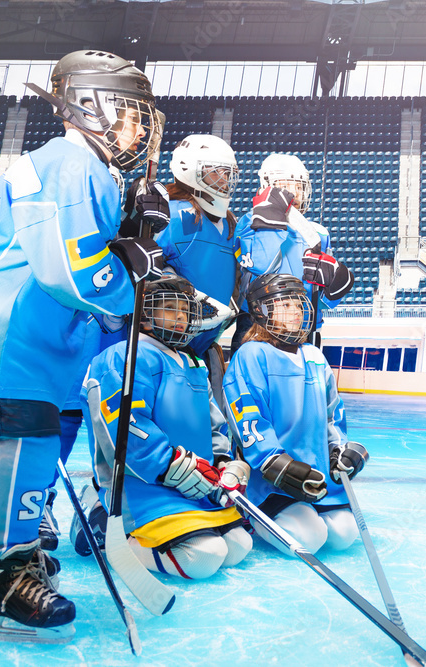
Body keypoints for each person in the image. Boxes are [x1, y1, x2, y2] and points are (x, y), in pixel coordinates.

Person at [0, 50, 170, 642]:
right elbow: (73, 277)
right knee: (26, 433)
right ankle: (5, 573)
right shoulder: (74, 164)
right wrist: (136, 280)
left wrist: (130, 239)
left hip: (19, 323)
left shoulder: (83, 167)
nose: (139, 127)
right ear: (90, 107)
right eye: (129, 112)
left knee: (43, 430)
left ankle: (19, 549)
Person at [76, 277, 252, 579]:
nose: (181, 317)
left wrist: (224, 463)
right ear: (143, 314)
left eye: (184, 310)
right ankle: (100, 524)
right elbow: (125, 426)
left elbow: (213, 426)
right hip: (144, 487)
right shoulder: (124, 357)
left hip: (198, 486)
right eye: (170, 309)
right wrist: (171, 466)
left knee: (238, 545)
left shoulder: (193, 362)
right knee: (204, 557)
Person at [222, 273, 368, 555]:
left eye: (299, 306)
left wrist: (338, 450)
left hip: (318, 476)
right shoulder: (251, 354)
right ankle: (251, 517)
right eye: (285, 305)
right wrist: (276, 464)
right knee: (309, 538)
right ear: (262, 311)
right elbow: (248, 419)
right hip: (271, 483)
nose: (295, 312)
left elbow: (332, 414)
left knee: (344, 534)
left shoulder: (314, 356)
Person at [231, 154, 354, 353]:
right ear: (268, 185)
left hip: (303, 325)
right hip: (259, 324)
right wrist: (269, 217)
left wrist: (335, 289)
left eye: (299, 186)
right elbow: (262, 264)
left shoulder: (317, 232)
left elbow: (320, 298)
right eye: (286, 186)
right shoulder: (249, 221)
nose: (295, 194)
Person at [154, 134, 241, 415]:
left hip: (207, 347)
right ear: (190, 170)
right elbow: (146, 268)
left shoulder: (230, 224)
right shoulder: (174, 214)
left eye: (227, 173)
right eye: (216, 172)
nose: (224, 179)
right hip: (168, 346)